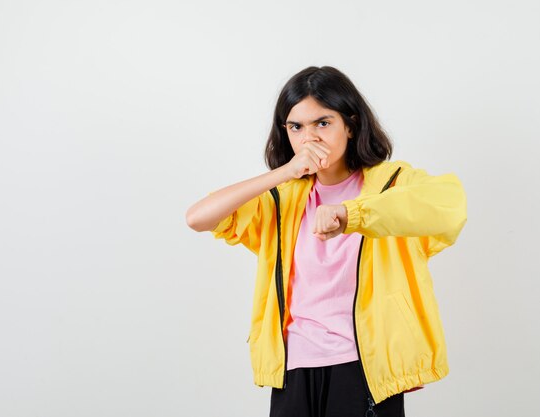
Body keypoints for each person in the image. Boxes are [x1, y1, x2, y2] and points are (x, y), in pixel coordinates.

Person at [185, 66, 467, 417]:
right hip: (294, 367)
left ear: (350, 124)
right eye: (296, 127)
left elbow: (449, 207)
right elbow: (198, 217)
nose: (310, 138)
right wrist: (284, 172)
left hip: (366, 367)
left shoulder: (393, 183)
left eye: (323, 123)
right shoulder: (281, 199)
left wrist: (351, 215)